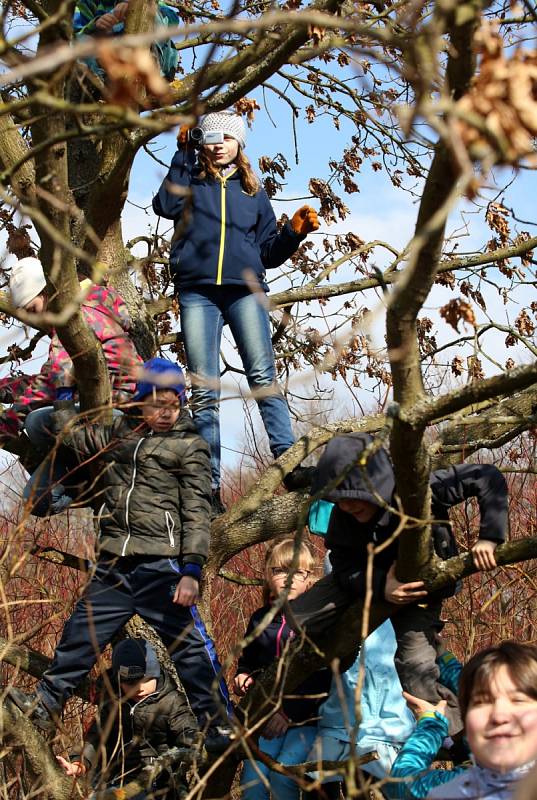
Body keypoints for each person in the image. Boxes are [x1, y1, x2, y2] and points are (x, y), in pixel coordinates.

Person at [7, 357, 232, 752]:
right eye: (158, 403)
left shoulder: (188, 444)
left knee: (192, 649)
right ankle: (45, 706)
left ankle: (218, 727)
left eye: (174, 404)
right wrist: (63, 392)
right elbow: (71, 433)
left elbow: (197, 512)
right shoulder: (118, 432)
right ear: (141, 401)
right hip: (114, 565)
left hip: (161, 564)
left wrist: (192, 571)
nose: (166, 412)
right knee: (79, 636)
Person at [152, 111, 320, 513]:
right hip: (198, 292)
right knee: (204, 391)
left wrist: (293, 234)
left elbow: (267, 253)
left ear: (239, 143)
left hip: (245, 291)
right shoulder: (191, 178)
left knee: (263, 376)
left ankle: (290, 462)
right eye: (210, 138)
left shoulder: (252, 191)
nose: (218, 144)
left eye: (226, 138)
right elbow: (164, 205)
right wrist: (181, 155)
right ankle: (208, 487)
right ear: (200, 143)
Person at [288, 432, 509, 736]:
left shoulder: (418, 491)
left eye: (354, 497)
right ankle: (340, 652)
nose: (349, 507)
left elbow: (486, 476)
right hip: (366, 580)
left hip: (420, 590)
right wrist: (381, 586)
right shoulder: (343, 516)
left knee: (416, 672)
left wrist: (490, 536)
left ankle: (458, 730)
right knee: (299, 615)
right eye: (341, 500)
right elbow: (342, 564)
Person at [2, 256, 143, 515]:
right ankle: (84, 481)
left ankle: (90, 480)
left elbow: (52, 381)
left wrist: (9, 421)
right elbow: (58, 375)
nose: (34, 319)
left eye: (33, 309)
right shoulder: (86, 307)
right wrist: (13, 386)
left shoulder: (76, 319)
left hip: (123, 416)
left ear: (46, 292)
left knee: (35, 422)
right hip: (94, 419)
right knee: (37, 499)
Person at [234, 538, 331, 800]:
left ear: (310, 578)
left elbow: (323, 677)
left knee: (282, 776)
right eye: (279, 570)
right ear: (268, 575)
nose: (288, 579)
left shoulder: (317, 619)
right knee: (252, 784)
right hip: (267, 718)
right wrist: (242, 675)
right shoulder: (260, 618)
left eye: (297, 572)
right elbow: (249, 659)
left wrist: (288, 712)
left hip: (307, 720)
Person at [387, 641, 537, 799]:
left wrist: (430, 725)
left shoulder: (460, 793)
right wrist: (444, 658)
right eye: (481, 702)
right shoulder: (461, 787)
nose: (499, 716)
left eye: (518, 700)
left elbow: (402, 783)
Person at [57, 638, 199, 798]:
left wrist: (193, 746)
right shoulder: (113, 701)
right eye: (131, 684)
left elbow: (187, 731)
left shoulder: (171, 701)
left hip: (157, 780)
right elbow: (97, 739)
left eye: (145, 680)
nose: (139, 688)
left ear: (156, 674)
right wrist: (79, 763)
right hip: (115, 778)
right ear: (120, 682)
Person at [308, 619, 416, 798]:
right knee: (315, 779)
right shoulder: (340, 614)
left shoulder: (399, 618)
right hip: (338, 723)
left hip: (386, 726)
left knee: (367, 779)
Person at [73, 0, 180, 80]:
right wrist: (95, 25)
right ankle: (100, 81)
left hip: (156, 60)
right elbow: (74, 32)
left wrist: (135, 6)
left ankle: (150, 56)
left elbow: (172, 20)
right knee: (78, 44)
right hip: (111, 60)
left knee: (150, 10)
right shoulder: (83, 3)